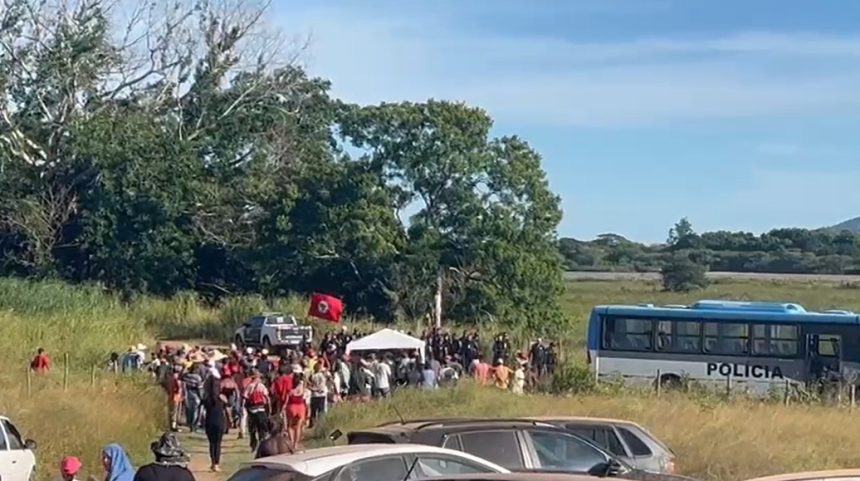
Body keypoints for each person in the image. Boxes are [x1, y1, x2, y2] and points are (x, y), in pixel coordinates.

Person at [203, 370, 227, 472]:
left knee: (211, 443)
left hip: (209, 421)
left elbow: (204, 406)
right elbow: (228, 405)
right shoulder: (221, 398)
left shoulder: (206, 398)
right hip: (220, 422)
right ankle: (217, 463)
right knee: (218, 443)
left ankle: (213, 463)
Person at [243, 369, 270, 451]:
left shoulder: (250, 386)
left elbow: (245, 396)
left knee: (252, 429)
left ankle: (253, 443)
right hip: (261, 409)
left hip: (252, 410)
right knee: (262, 428)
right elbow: (266, 397)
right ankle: (263, 443)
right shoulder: (262, 386)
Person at [285, 372, 307, 451]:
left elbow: (287, 400)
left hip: (292, 406)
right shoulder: (302, 387)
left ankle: (291, 442)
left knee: (290, 426)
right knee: (298, 426)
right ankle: (296, 444)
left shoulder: (291, 390)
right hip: (300, 407)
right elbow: (305, 382)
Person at [308, 363, 328, 427]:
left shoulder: (313, 376)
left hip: (314, 395)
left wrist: (313, 389)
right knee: (321, 410)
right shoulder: (322, 376)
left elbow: (310, 384)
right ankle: (320, 424)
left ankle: (312, 424)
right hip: (321, 394)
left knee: (313, 410)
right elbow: (322, 385)